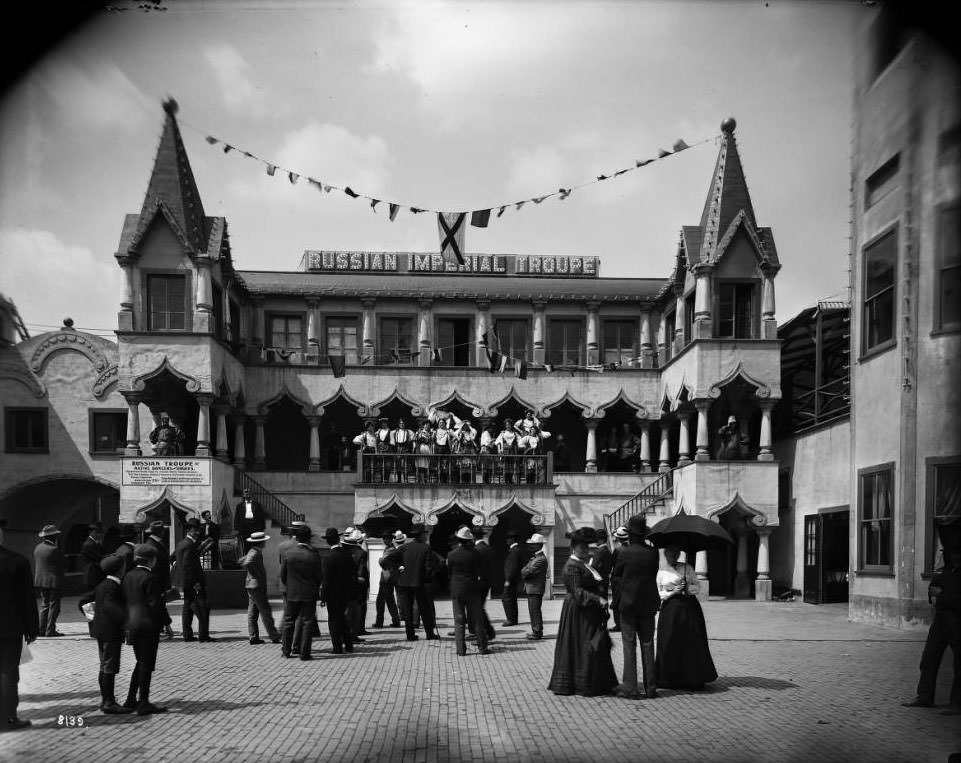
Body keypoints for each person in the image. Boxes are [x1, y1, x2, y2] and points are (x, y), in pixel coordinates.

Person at [548, 527, 618, 697]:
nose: (586, 550)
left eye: (587, 548)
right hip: (578, 611)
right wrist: (597, 599)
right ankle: (581, 683)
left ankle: (598, 682)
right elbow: (577, 591)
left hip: (588, 611)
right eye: (582, 548)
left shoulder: (583, 564)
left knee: (593, 645)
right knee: (583, 645)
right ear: (573, 548)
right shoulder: (571, 566)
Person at [902, 540, 961, 714]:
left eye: (958, 554)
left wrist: (942, 596)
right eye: (953, 554)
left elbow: (954, 599)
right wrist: (938, 595)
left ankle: (957, 703)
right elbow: (933, 588)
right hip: (941, 621)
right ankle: (924, 697)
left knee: (959, 664)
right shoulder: (948, 571)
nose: (955, 557)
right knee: (929, 658)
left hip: (957, 622)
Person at [611, 515, 660, 700]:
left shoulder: (623, 552)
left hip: (628, 603)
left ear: (630, 535)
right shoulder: (653, 552)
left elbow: (616, 577)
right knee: (648, 644)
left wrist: (617, 598)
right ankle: (651, 687)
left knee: (629, 645)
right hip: (648, 603)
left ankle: (631, 687)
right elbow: (652, 574)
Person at [656, 546, 718, 690]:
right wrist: (672, 591)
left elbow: (697, 587)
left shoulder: (687, 568)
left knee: (691, 642)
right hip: (670, 611)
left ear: (678, 555)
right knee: (670, 641)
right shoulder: (662, 571)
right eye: (669, 554)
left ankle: (692, 678)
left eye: (674, 554)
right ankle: (670, 678)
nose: (672, 557)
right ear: (665, 555)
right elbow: (659, 593)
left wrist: (689, 587)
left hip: (689, 608)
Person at [0, 519, 40, 732]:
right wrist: (32, 628)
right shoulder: (16, 561)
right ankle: (7, 719)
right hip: (9, 626)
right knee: (7, 672)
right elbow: (27, 598)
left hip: (10, 626)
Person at [121, 543, 170, 714]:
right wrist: (167, 622)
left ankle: (130, 698)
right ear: (152, 560)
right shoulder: (150, 578)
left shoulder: (128, 576)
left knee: (140, 662)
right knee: (146, 664)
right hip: (148, 626)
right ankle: (143, 701)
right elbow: (156, 604)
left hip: (132, 624)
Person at [86, 554, 132, 714]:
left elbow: (83, 602)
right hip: (110, 632)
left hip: (100, 631)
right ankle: (108, 702)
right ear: (120, 569)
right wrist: (126, 620)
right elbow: (111, 606)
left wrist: (93, 618)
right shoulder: (113, 586)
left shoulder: (102, 584)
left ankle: (106, 699)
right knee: (110, 666)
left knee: (104, 665)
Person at [280, 525, 323, 660]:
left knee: (288, 621)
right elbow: (319, 575)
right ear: (309, 538)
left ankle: (286, 651)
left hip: (292, 592)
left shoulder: (288, 553)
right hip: (309, 593)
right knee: (307, 622)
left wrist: (290, 586)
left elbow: (283, 575)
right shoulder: (314, 553)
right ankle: (305, 653)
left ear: (297, 538)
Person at [447, 526, 489, 656]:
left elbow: (449, 573)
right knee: (477, 619)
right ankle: (482, 648)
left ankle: (461, 650)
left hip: (457, 590)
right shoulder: (475, 553)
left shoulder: (452, 554)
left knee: (459, 621)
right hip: (472, 589)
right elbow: (480, 570)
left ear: (459, 539)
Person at [174, 518, 213, 642]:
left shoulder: (182, 543)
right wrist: (195, 583)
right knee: (202, 607)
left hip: (187, 581)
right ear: (189, 530)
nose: (197, 532)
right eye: (195, 530)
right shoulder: (189, 545)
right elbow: (188, 566)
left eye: (198, 530)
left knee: (187, 609)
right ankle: (203, 635)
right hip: (193, 582)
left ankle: (188, 634)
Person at [397, 525, 438, 641]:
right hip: (420, 583)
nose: (426, 535)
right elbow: (428, 567)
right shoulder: (426, 548)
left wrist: (399, 568)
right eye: (425, 534)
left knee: (408, 610)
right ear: (421, 535)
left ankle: (410, 635)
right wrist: (428, 580)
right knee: (425, 609)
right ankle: (429, 634)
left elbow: (388, 559)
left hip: (405, 582)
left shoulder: (404, 547)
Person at [242, 531, 281, 645]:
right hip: (256, 586)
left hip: (251, 585)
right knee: (265, 611)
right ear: (261, 542)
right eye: (264, 541)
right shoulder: (255, 553)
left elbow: (245, 561)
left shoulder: (253, 551)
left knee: (253, 612)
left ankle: (253, 636)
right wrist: (255, 574)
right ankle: (274, 635)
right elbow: (247, 563)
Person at [320, 527, 354, 654]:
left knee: (334, 620)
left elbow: (326, 580)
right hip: (345, 593)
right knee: (343, 619)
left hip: (333, 595)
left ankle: (337, 647)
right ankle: (349, 644)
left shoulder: (328, 558)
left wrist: (323, 597)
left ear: (328, 541)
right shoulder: (346, 555)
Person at [278, 522, 307, 654]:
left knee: (288, 615)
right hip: (300, 585)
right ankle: (296, 645)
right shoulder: (305, 546)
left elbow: (282, 565)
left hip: (286, 584)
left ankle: (285, 643)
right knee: (300, 617)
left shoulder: (282, 546)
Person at [145, 521, 176, 640]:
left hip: (160, 581)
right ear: (160, 532)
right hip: (156, 581)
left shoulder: (158, 543)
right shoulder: (152, 545)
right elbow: (155, 567)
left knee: (160, 604)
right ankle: (159, 628)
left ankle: (161, 627)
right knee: (157, 605)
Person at [34, 524, 66, 637]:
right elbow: (63, 563)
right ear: (53, 537)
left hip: (41, 581)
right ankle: (50, 630)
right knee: (54, 607)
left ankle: (41, 630)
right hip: (53, 581)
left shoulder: (38, 547)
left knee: (44, 605)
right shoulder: (54, 549)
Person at [342, 528, 370, 642]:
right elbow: (362, 570)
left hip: (346, 584)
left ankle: (347, 633)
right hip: (358, 584)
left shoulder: (344, 552)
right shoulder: (362, 553)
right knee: (357, 609)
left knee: (347, 610)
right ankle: (355, 631)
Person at [521, 533, 548, 640]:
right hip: (533, 588)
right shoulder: (536, 557)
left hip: (535, 588)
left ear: (539, 545)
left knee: (535, 610)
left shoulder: (540, 559)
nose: (531, 546)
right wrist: (524, 570)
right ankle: (536, 630)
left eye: (533, 544)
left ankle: (537, 631)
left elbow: (527, 571)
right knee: (533, 610)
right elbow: (525, 570)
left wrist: (524, 571)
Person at [373, 532, 402, 628]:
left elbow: (383, 561)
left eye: (386, 538)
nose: (384, 540)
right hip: (390, 576)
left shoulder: (390, 549)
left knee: (380, 601)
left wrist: (380, 560)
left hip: (386, 577)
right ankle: (396, 620)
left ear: (390, 539)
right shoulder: (390, 548)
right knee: (390, 600)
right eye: (384, 538)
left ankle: (379, 622)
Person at [609, 525, 630, 632]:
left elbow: (611, 563)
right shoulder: (630, 549)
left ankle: (618, 624)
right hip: (628, 578)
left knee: (616, 602)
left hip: (617, 579)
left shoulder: (617, 550)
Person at [501, 533, 524, 626]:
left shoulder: (514, 551)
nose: (507, 540)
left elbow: (512, 567)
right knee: (512, 599)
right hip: (514, 580)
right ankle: (513, 619)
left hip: (511, 580)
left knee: (506, 598)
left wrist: (508, 580)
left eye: (508, 538)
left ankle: (510, 619)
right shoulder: (515, 550)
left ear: (513, 539)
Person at [234, 488, 267, 554]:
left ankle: (255, 563)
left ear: (251, 494)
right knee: (245, 549)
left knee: (255, 548)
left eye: (248, 492)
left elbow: (261, 517)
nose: (247, 494)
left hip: (255, 529)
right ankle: (247, 562)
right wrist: (237, 529)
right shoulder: (239, 506)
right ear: (243, 495)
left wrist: (262, 529)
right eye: (245, 492)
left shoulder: (257, 505)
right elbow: (237, 518)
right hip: (244, 530)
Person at [81, 521, 106, 592]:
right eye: (97, 532)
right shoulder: (89, 544)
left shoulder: (95, 543)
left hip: (94, 575)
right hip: (92, 575)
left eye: (100, 532)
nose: (100, 535)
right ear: (91, 532)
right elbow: (98, 558)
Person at [392, 418, 414, 483]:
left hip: (405, 448)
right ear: (399, 424)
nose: (402, 424)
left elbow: (413, 436)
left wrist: (410, 442)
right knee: (398, 464)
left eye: (403, 423)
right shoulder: (395, 431)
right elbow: (387, 433)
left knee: (405, 464)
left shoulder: (408, 431)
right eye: (401, 423)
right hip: (398, 448)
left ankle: (405, 479)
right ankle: (399, 479)